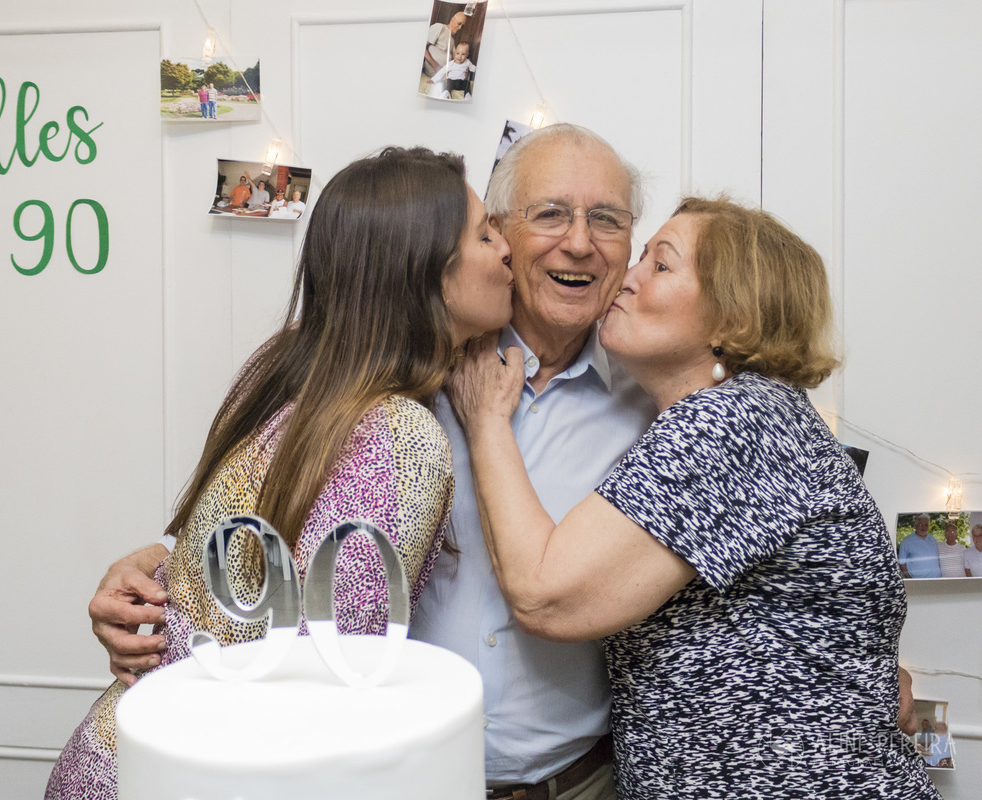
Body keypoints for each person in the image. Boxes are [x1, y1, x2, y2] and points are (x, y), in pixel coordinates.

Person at [89, 124, 655, 800]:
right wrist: (156, 571)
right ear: (496, 235)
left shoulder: (657, 403)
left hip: (574, 781)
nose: (581, 242)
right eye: (550, 214)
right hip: (395, 776)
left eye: (608, 218)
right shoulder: (379, 387)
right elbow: (273, 523)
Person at [45, 146, 513, 799]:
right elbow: (320, 681)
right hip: (196, 779)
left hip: (119, 756)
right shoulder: (400, 436)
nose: (506, 250)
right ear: (426, 269)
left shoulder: (287, 369)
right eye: (485, 235)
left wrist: (152, 573)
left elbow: (234, 571)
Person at [450, 196, 940, 799]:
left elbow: (546, 596)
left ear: (733, 320)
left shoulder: (731, 420)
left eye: (660, 265)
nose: (626, 277)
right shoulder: (741, 415)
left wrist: (487, 421)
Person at [423, 11, 466, 78]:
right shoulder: (439, 27)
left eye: (462, 26)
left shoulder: (452, 40)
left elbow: (455, 58)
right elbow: (422, 47)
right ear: (452, 20)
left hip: (445, 74)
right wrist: (437, 67)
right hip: (436, 73)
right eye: (459, 23)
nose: (460, 28)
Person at [899, 514, 942, 579]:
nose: (923, 527)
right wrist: (910, 578)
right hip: (918, 581)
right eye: (920, 524)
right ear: (915, 526)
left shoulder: (932, 539)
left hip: (936, 579)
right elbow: (902, 563)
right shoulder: (906, 541)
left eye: (926, 525)